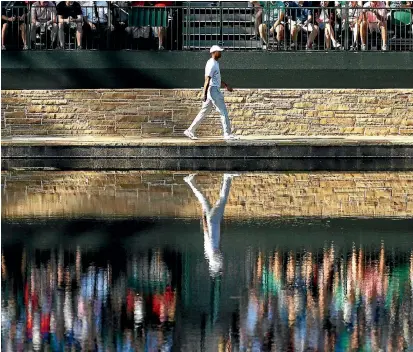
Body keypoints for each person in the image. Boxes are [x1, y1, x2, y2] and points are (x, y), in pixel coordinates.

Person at [184, 173, 239, 277]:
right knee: (204, 200)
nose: (221, 260)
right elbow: (216, 234)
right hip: (213, 221)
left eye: (220, 262)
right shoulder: (210, 252)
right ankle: (190, 181)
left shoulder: (212, 249)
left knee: (222, 200)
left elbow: (206, 232)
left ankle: (227, 178)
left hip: (213, 220)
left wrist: (203, 218)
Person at [184, 45, 239, 141]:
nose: (221, 53)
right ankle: (227, 134)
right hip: (213, 91)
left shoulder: (215, 63)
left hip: (212, 90)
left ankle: (190, 130)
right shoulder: (212, 64)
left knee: (203, 112)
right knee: (223, 111)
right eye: (219, 51)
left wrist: (225, 85)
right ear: (213, 53)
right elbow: (207, 79)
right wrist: (204, 93)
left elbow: (216, 78)